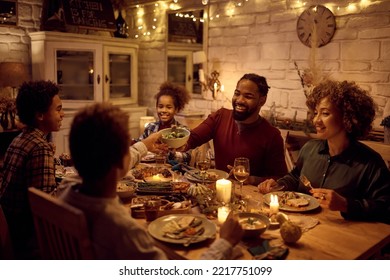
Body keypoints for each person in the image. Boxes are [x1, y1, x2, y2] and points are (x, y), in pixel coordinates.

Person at [60, 102, 243, 259]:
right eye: (127, 147)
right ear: (120, 161)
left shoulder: (65, 190)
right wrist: (225, 243)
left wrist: (144, 144)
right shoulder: (125, 231)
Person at [259, 80, 390, 224]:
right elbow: (296, 177)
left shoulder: (370, 163)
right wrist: (279, 185)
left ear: (347, 117)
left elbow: (385, 208)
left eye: (325, 113)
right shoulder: (310, 149)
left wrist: (346, 204)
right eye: (316, 113)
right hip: (303, 227)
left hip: (344, 237)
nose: (316, 120)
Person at [0, 80, 64, 259]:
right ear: (40, 115)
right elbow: (46, 208)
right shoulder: (39, 147)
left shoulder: (20, 138)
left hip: (13, 230)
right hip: (28, 239)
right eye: (58, 109)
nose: (63, 114)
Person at [184, 73, 287, 179]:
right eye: (237, 93)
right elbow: (192, 138)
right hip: (216, 190)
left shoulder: (272, 135)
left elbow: (280, 179)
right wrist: (177, 143)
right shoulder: (220, 116)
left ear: (262, 100)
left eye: (248, 96)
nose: (239, 100)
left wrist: (251, 179)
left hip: (250, 194)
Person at [135, 82, 191, 164]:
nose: (163, 110)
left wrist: (170, 153)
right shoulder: (150, 127)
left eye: (169, 107)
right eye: (160, 106)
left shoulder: (183, 131)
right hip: (151, 169)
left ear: (176, 109)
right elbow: (139, 145)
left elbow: (188, 157)